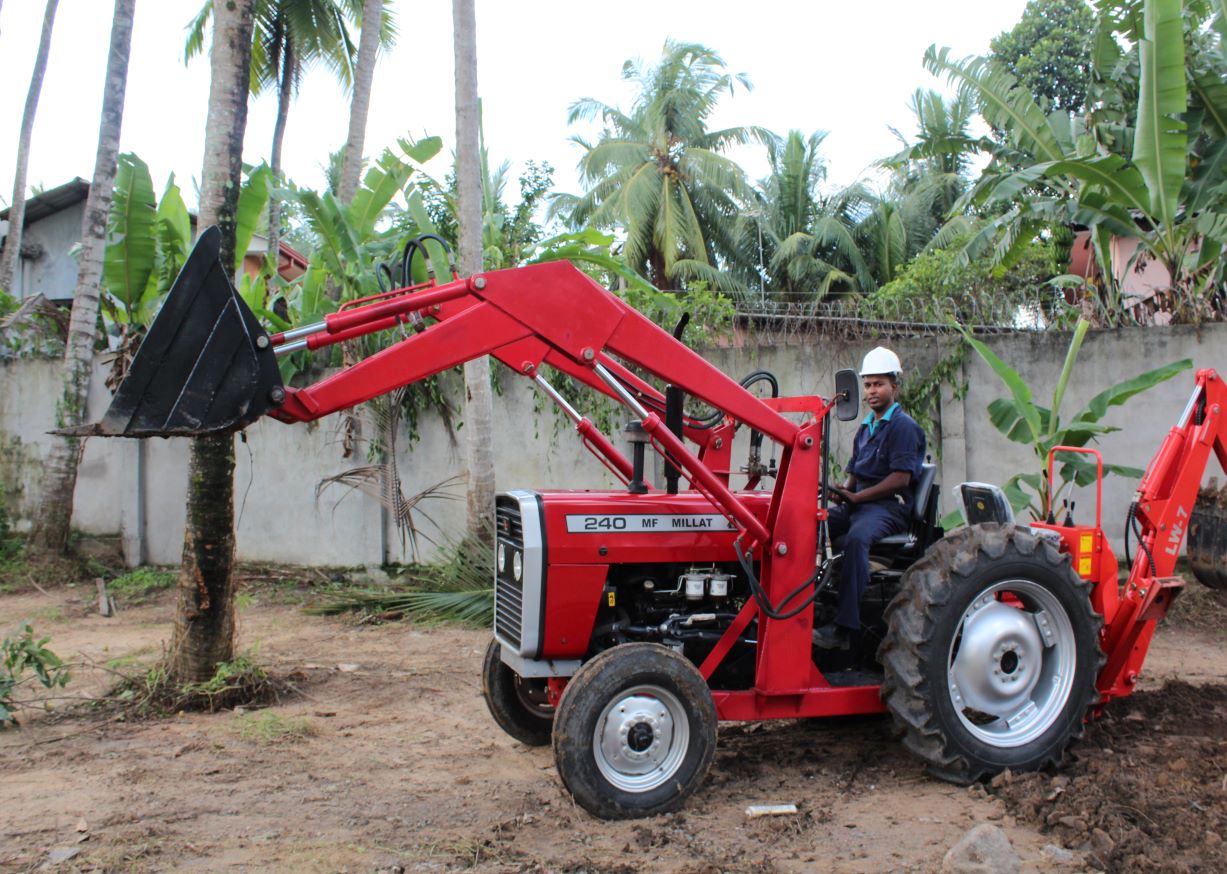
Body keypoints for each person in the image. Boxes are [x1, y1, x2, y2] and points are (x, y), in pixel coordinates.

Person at [813, 346, 925, 649]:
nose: (872, 391)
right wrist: (840, 492)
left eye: (879, 384)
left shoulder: (904, 428)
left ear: (894, 386)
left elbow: (900, 479)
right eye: (867, 385)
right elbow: (853, 477)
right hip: (861, 504)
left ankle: (845, 629)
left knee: (857, 539)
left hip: (888, 507)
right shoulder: (865, 428)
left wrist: (857, 498)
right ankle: (810, 605)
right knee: (812, 524)